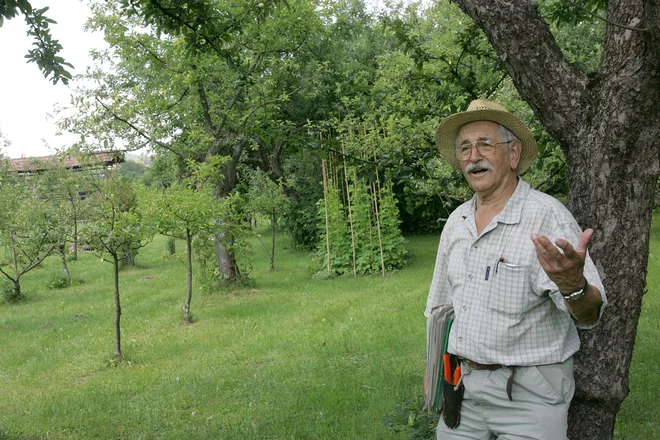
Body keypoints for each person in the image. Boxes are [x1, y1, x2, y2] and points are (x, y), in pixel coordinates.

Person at [425, 99, 607, 439]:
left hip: (530, 396)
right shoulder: (457, 222)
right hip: (463, 391)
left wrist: (573, 285)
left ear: (513, 154)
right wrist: (438, 379)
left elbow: (589, 314)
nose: (473, 155)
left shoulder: (545, 217)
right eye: (464, 148)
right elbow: (441, 312)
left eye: (485, 144)